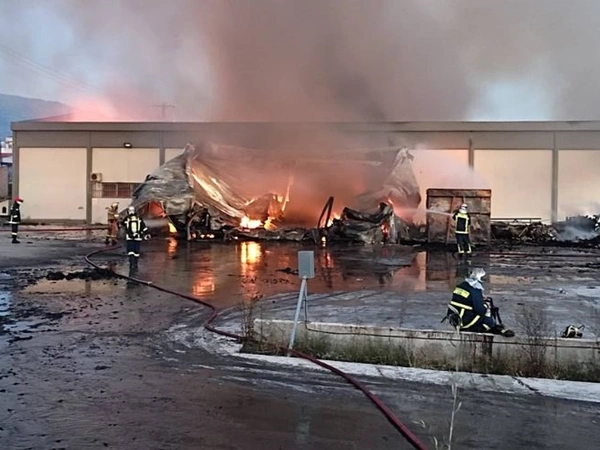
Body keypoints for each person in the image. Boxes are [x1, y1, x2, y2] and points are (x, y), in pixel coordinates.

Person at [444, 268, 514, 337]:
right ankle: (484, 329)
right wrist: (486, 306)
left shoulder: (461, 286)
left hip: (456, 319)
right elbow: (480, 311)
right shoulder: (475, 290)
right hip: (466, 322)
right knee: (489, 321)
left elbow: (465, 299)